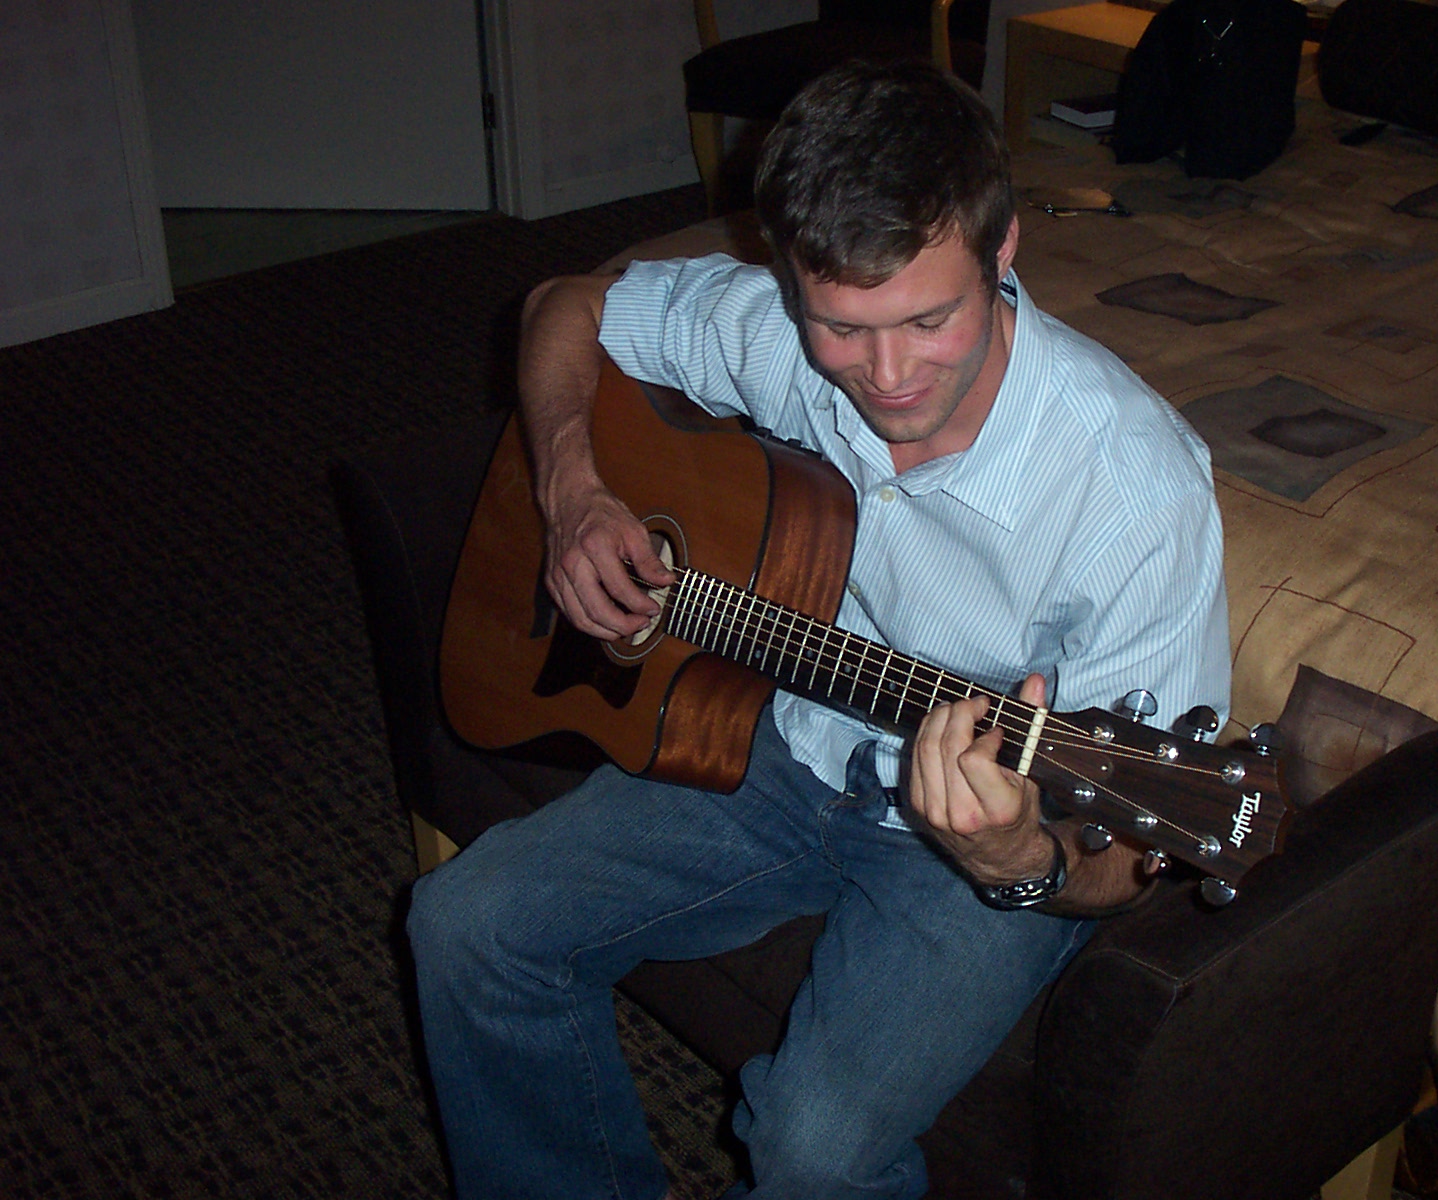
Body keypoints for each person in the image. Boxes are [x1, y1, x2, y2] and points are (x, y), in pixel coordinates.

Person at [407, 58, 1230, 1200]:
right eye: (839, 326)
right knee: (465, 926)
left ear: (1002, 252)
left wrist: (1020, 860)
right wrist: (573, 490)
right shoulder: (780, 333)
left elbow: (1132, 860)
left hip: (981, 837)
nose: (885, 378)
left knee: (812, 1147)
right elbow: (564, 305)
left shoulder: (1137, 494)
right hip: (778, 741)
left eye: (929, 319)